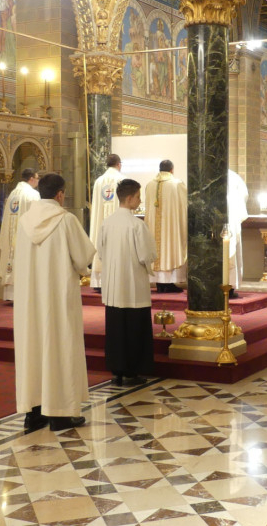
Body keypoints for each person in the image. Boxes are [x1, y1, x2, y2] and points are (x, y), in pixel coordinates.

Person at [13, 173, 96, 433]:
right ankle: (61, 414)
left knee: (33, 349)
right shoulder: (66, 220)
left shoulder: (24, 222)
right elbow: (83, 257)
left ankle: (34, 414)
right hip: (57, 298)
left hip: (30, 300)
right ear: (60, 194)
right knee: (60, 346)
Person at [97, 179, 157, 386]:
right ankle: (132, 372)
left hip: (113, 287)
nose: (140, 201)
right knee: (134, 328)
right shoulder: (136, 225)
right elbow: (146, 255)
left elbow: (101, 252)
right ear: (129, 198)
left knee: (115, 329)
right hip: (133, 286)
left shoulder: (106, 223)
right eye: (138, 197)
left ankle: (117, 372)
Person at [144, 160, 187, 293]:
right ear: (172, 170)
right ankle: (169, 282)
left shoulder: (150, 185)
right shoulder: (177, 184)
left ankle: (159, 282)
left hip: (153, 228)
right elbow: (185, 206)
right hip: (171, 227)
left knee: (155, 248)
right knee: (170, 248)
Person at [0, 169, 40, 302]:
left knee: (12, 260)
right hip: (24, 239)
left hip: (11, 238)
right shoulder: (32, 194)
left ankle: (10, 295)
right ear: (31, 179)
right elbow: (37, 218)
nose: (38, 181)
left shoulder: (13, 194)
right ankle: (23, 295)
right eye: (37, 178)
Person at [89, 154, 125, 291]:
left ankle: (99, 283)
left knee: (101, 244)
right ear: (119, 164)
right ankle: (115, 282)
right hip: (117, 224)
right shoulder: (122, 180)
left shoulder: (99, 181)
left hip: (101, 224)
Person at [227, 169, 249, 297]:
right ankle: (229, 287)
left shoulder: (205, 173)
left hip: (221, 220)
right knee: (230, 252)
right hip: (231, 217)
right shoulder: (233, 176)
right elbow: (244, 195)